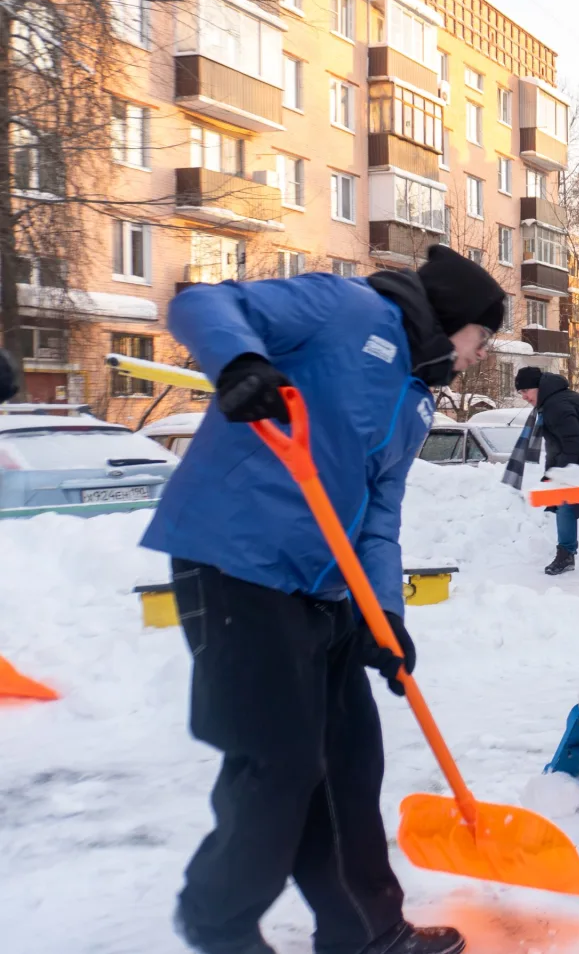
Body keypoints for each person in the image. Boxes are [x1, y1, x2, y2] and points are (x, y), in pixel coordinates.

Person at [142, 244, 506, 954]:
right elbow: (201, 303)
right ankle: (218, 924)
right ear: (455, 318)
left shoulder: (416, 395)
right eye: (482, 339)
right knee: (277, 763)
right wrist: (241, 363)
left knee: (350, 761)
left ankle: (364, 932)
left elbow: (378, 515)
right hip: (237, 560)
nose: (480, 355)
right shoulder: (346, 307)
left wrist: (386, 616)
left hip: (325, 585)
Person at [501, 366, 579, 576]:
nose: (525, 396)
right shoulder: (552, 402)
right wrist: (551, 475)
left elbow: (572, 441)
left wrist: (559, 473)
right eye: (521, 393)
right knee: (567, 504)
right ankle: (566, 554)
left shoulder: (557, 404)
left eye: (526, 390)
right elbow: (556, 446)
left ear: (539, 387)